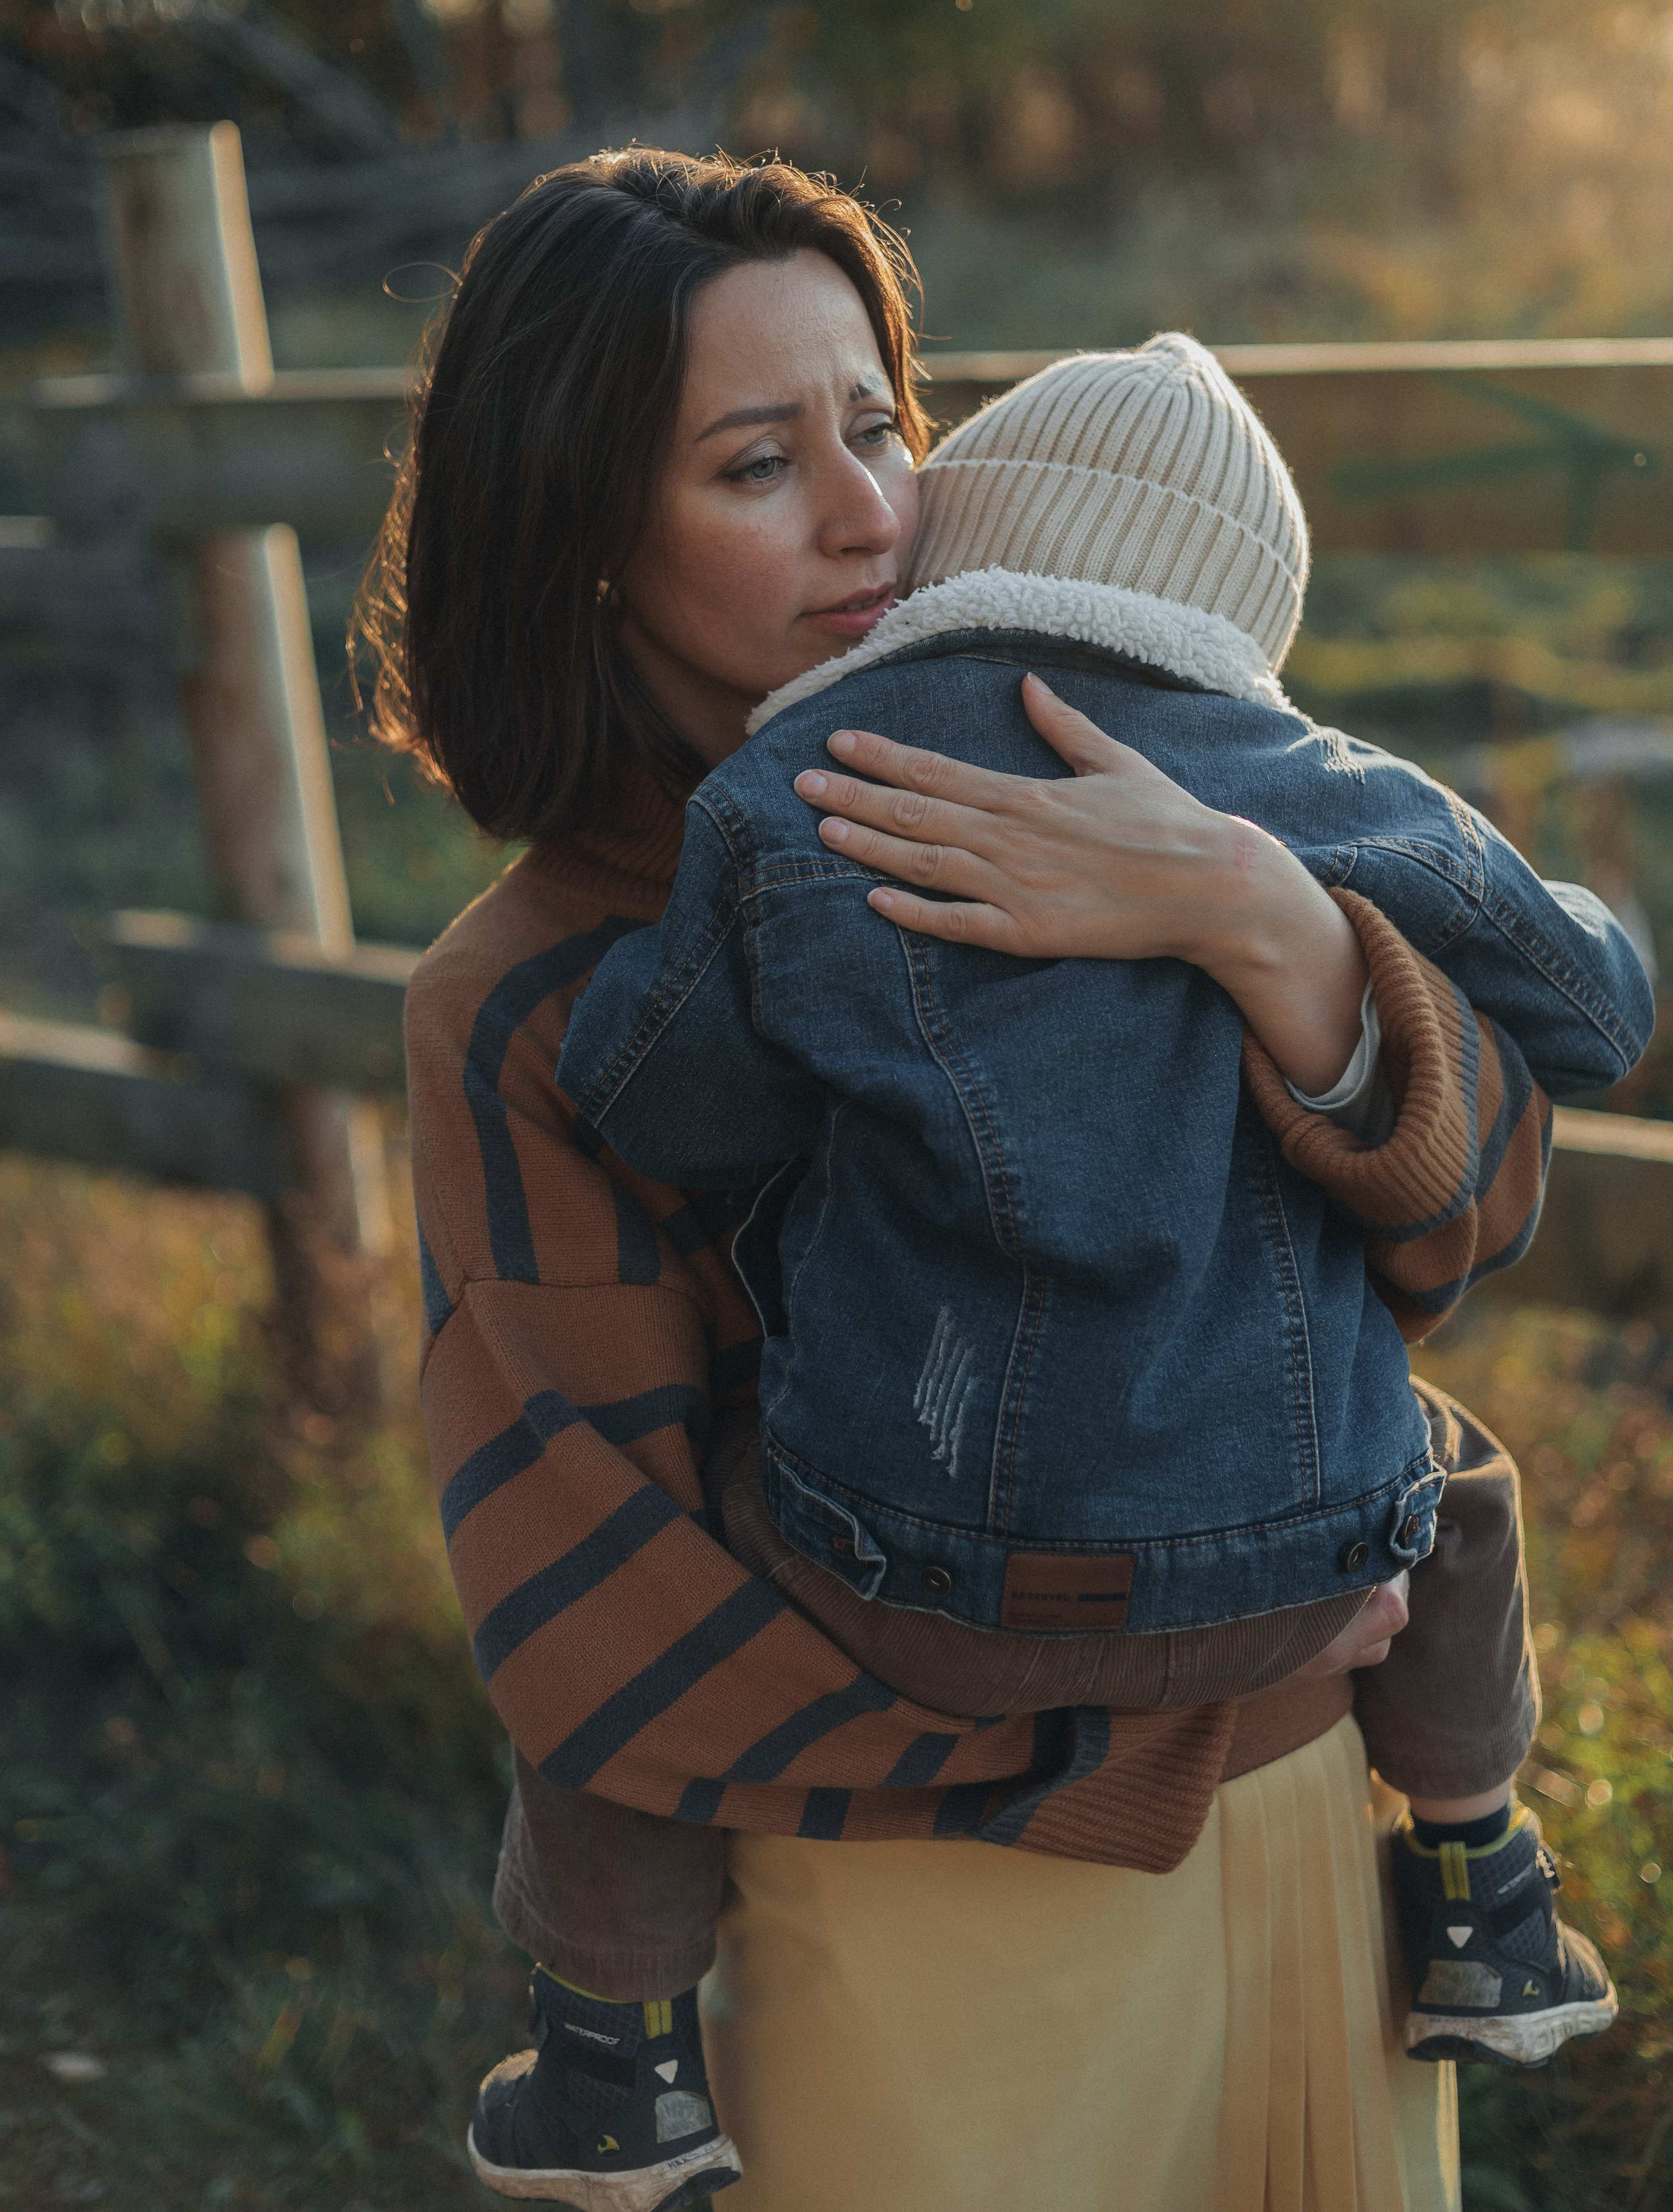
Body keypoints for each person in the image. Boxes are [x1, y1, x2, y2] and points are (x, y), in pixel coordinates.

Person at [358, 147, 1571, 2212]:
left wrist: (1272, 932)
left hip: (1309, 1852)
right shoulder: (539, 998)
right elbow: (607, 1610)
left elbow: (1461, 1235)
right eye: (756, 465)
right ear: (585, 544)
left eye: (879, 423)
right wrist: (1189, 1689)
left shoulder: (1145, 798)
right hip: (923, 1913)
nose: (870, 514)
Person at [555, 330, 1648, 2139]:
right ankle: (1484, 1897)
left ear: (954, 528)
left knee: (610, 1630)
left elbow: (662, 1110)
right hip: (1303, 1575)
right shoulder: (1323, 790)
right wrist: (1305, 894)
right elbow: (1594, 1011)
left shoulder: (795, 793)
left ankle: (618, 2051)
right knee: (1453, 1486)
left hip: (907, 1576)